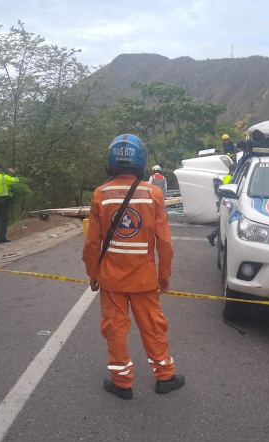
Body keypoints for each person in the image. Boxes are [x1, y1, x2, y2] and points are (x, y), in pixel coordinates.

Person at [82, 134, 185, 400]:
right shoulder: (153, 194)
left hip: (111, 280)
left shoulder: (100, 194)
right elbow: (164, 242)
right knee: (153, 327)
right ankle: (164, 377)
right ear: (142, 162)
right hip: (145, 280)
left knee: (114, 330)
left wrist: (93, 273)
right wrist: (164, 276)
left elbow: (92, 242)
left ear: (111, 162)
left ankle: (122, 383)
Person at [207, 163, 237, 246]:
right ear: (232, 171)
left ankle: (212, 236)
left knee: (222, 223)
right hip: (225, 202)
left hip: (225, 202)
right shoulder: (229, 178)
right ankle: (213, 236)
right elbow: (227, 188)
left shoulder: (228, 177)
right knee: (223, 223)